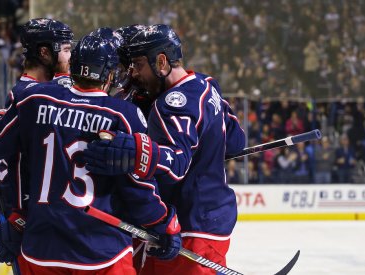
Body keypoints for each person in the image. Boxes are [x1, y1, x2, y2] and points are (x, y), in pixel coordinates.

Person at [0, 34, 182, 274]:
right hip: (101, 253)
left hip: (42, 250)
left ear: (72, 67)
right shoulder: (124, 114)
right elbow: (136, 188)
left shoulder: (34, 99)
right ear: (110, 74)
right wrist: (163, 224)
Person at [83, 24, 246, 275]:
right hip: (213, 218)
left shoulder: (169, 104)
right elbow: (236, 142)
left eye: (138, 65)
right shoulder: (206, 85)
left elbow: (176, 164)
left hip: (190, 223)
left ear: (161, 62)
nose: (133, 74)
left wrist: (137, 150)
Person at [0, 17, 74, 265]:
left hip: (42, 219)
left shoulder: (41, 92)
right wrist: (16, 216)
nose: (71, 57)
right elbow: (10, 163)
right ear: (45, 52)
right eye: (66, 50)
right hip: (28, 222)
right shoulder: (27, 95)